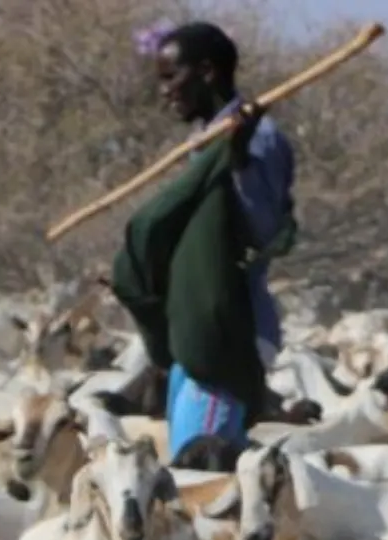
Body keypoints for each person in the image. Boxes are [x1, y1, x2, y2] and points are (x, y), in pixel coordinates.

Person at [111, 20, 298, 463]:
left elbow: (264, 235)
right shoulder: (205, 142)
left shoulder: (259, 141)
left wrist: (239, 162)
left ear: (208, 72)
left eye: (171, 76)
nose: (164, 91)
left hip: (229, 332)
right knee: (187, 460)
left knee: (202, 471)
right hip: (195, 336)